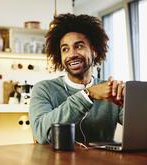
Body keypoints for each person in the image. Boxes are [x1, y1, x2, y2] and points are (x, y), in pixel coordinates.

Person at [29, 13, 125, 144]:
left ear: (94, 51)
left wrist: (130, 102)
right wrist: (88, 94)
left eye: (79, 46)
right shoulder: (43, 89)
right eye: (65, 49)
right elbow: (40, 134)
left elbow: (139, 129)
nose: (71, 54)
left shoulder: (109, 89)